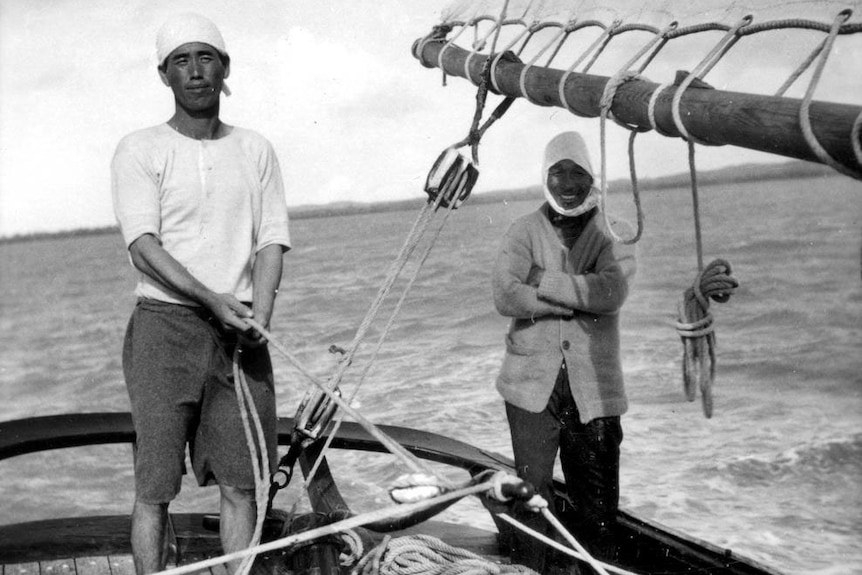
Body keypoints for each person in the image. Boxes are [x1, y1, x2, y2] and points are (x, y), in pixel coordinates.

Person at [110, 13, 291, 575]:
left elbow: (271, 240)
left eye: (206, 57)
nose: (195, 72)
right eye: (181, 61)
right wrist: (212, 299)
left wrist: (259, 315)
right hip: (165, 330)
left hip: (241, 335)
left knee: (243, 483)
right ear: (164, 74)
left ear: (225, 68)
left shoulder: (255, 149)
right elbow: (143, 246)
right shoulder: (140, 148)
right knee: (155, 487)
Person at [491, 131, 636, 573]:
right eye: (558, 172)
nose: (567, 182)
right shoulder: (522, 231)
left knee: (597, 503)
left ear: (592, 176)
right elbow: (505, 296)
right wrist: (578, 295)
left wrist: (542, 278)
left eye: (578, 172)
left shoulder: (615, 231)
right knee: (531, 495)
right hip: (529, 387)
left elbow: (611, 291)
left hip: (594, 386)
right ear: (545, 176)